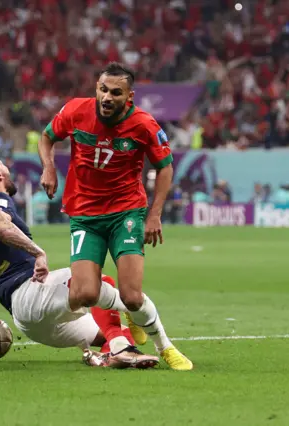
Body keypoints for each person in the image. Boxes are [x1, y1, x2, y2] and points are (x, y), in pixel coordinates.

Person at [38, 62, 192, 370]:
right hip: (84, 214)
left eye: (116, 93)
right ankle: (127, 318)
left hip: (126, 213)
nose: (107, 97)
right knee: (84, 294)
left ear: (129, 96)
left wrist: (154, 214)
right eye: (103, 90)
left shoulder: (144, 125)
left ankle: (165, 346)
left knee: (132, 297)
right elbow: (46, 137)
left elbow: (165, 166)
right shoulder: (75, 111)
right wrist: (49, 166)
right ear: (96, 88)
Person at [0, 153, 159, 369]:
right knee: (94, 280)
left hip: (27, 320)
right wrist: (38, 253)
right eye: (3, 164)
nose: (7, 168)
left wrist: (5, 285)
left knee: (108, 333)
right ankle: (132, 327)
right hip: (32, 295)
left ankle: (111, 355)